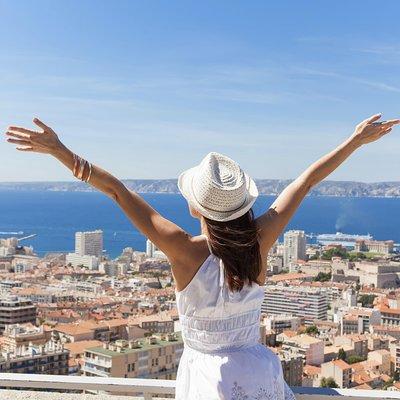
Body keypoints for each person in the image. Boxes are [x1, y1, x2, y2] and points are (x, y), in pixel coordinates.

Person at [4, 113, 399, 399]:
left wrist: (61, 151)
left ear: (196, 207)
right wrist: (355, 140)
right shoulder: (260, 241)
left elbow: (118, 191)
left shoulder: (184, 250)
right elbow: (307, 181)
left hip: (208, 378)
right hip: (260, 370)